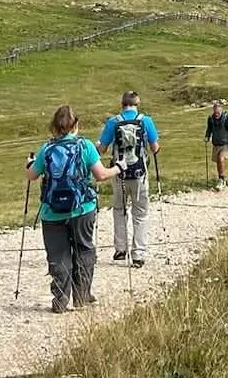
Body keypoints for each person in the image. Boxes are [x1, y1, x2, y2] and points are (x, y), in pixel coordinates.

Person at [28, 105, 112, 313]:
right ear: (76, 124)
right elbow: (101, 174)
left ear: (54, 126)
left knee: (58, 255)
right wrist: (118, 168)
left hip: (52, 211)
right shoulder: (85, 146)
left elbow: (32, 175)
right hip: (82, 207)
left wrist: (29, 163)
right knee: (84, 248)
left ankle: (60, 299)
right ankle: (82, 295)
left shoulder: (46, 149)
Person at [98, 90, 160, 266]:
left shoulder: (113, 122)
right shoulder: (146, 121)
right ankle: (138, 253)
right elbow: (155, 148)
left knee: (119, 209)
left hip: (119, 174)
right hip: (139, 174)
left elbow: (102, 148)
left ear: (122, 104)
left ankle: (120, 248)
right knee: (140, 213)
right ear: (137, 104)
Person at [205, 99, 228, 188]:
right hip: (216, 143)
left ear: (221, 109)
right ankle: (221, 178)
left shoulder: (227, 117)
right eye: (215, 112)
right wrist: (207, 136)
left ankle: (222, 179)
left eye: (218, 112)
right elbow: (209, 129)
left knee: (221, 159)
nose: (216, 114)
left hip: (225, 143)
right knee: (218, 162)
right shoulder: (211, 118)